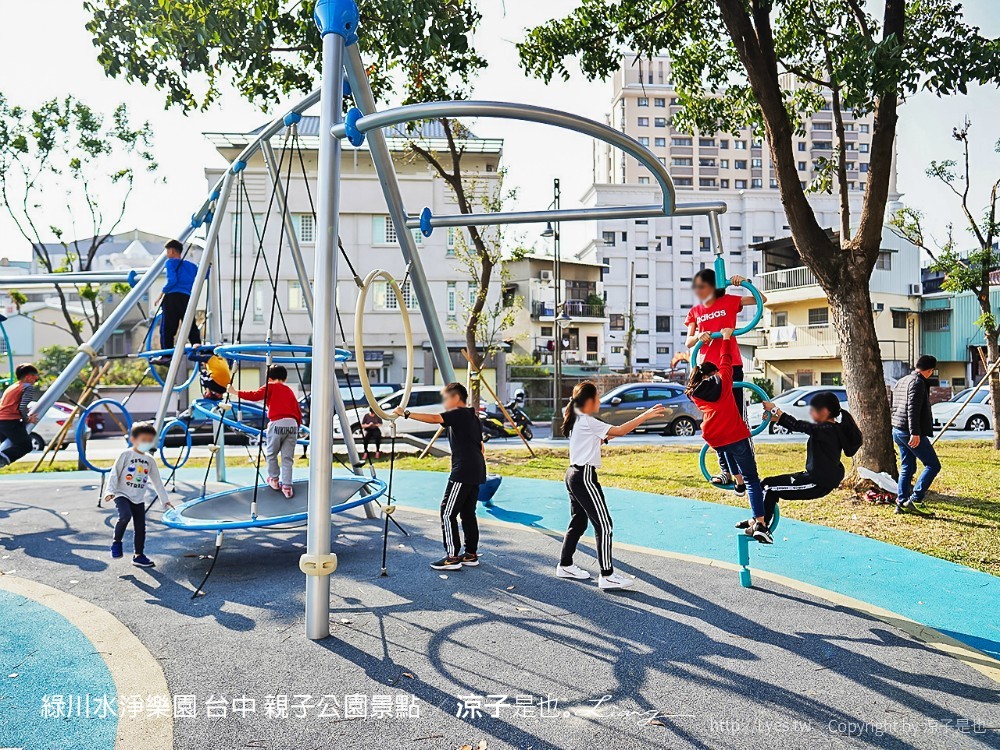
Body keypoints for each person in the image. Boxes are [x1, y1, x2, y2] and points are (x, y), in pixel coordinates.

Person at [556, 381, 666, 590]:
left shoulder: (578, 420)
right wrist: (646, 415)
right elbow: (621, 430)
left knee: (579, 522)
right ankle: (607, 575)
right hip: (584, 477)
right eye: (597, 397)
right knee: (604, 525)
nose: (599, 400)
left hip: (573, 474)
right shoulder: (588, 420)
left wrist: (606, 439)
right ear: (588, 402)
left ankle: (565, 564)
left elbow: (596, 440)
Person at [687, 328, 771, 543]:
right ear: (712, 374)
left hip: (713, 435)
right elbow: (727, 359)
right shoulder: (724, 381)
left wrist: (703, 345)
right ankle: (761, 523)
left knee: (727, 453)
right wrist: (726, 337)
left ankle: (737, 481)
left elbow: (697, 374)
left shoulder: (694, 393)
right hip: (734, 432)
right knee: (753, 478)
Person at [685, 269, 766, 492]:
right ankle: (727, 471)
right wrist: (698, 337)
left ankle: (746, 472)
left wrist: (744, 283)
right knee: (715, 421)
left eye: (703, 286)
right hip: (706, 370)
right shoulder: (696, 311)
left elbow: (762, 300)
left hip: (730, 364)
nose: (699, 291)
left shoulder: (730, 300)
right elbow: (688, 343)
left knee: (736, 419)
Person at [394, 382, 486, 571]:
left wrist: (406, 413)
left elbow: (434, 418)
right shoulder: (472, 416)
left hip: (463, 471)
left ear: (455, 398)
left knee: (447, 512)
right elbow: (481, 445)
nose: (444, 402)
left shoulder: (458, 413)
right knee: (467, 513)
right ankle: (470, 554)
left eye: (446, 398)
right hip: (476, 469)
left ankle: (452, 557)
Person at [748, 391, 864, 529]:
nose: (811, 413)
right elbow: (798, 425)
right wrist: (777, 419)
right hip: (814, 478)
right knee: (767, 484)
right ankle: (757, 522)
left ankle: (762, 526)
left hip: (816, 483)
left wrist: (775, 410)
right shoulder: (832, 429)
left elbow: (798, 425)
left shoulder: (825, 430)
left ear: (825, 411)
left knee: (769, 488)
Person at [106, 422, 174, 568]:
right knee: (125, 516)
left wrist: (165, 500)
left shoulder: (149, 460)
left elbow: (157, 481)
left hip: (138, 498)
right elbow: (114, 473)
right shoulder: (126, 454)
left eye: (150, 441)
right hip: (121, 494)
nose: (147, 443)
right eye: (143, 440)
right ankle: (116, 543)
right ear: (133, 439)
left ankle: (138, 555)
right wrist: (110, 491)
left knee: (140, 527)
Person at [228, 365, 302, 498]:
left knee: (271, 453)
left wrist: (235, 392)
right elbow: (297, 409)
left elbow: (255, 396)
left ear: (269, 378)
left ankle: (274, 479)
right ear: (284, 378)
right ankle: (287, 486)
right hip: (292, 424)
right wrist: (298, 426)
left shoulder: (270, 386)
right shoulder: (289, 390)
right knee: (287, 458)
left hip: (277, 422)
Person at [891, 355, 940, 514]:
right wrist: (915, 433)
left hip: (897, 430)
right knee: (933, 465)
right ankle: (916, 499)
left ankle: (902, 501)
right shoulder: (918, 383)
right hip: (909, 432)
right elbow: (912, 410)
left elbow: (895, 405)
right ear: (930, 370)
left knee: (907, 466)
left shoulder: (902, 380)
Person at [155, 239, 201, 356]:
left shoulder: (170, 263)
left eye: (167, 251)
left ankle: (166, 354)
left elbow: (172, 280)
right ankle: (198, 348)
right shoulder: (191, 266)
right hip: (186, 297)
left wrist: (161, 293)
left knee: (168, 328)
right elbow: (204, 275)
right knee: (190, 325)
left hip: (172, 297)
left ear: (171, 251)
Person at [0, 363, 41, 468]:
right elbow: (22, 407)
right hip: (10, 421)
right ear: (28, 377)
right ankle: (1, 459)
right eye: (34, 377)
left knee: (6, 444)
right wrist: (27, 418)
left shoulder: (13, 386)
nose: (36, 380)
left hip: (2, 421)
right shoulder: (28, 387)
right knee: (25, 446)